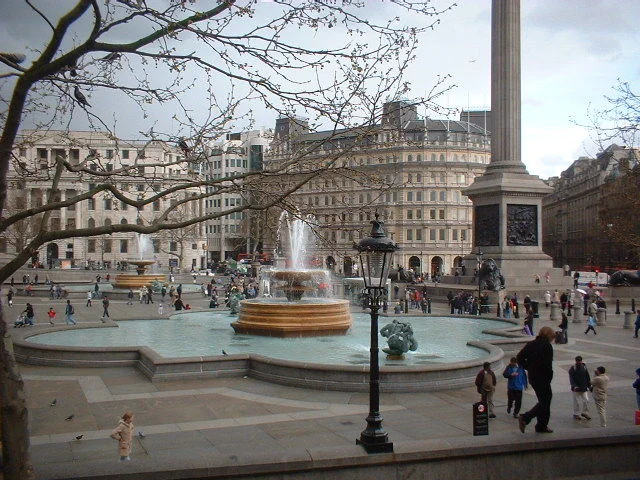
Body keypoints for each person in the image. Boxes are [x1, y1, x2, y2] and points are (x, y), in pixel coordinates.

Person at [517, 326, 555, 434]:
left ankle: (541, 426)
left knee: (544, 401)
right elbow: (548, 365)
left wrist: (528, 367)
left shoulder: (531, 344)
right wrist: (549, 376)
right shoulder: (547, 346)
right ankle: (526, 418)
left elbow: (519, 357)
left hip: (533, 377)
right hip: (542, 377)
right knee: (545, 401)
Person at [568, 356, 591, 421]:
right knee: (576, 402)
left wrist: (589, 385)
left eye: (579, 361)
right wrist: (574, 386)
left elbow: (587, 376)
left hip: (584, 387)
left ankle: (584, 412)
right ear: (576, 361)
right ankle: (576, 414)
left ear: (581, 361)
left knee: (586, 400)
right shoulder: (573, 368)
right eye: (577, 361)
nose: (579, 362)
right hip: (576, 388)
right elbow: (571, 378)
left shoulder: (584, 367)